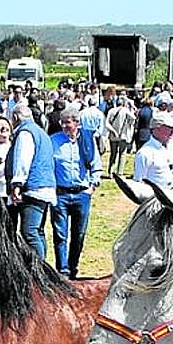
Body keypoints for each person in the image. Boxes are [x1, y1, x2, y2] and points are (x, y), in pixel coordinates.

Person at [49, 108, 101, 279]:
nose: (64, 126)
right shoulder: (54, 141)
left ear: (77, 123)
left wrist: (92, 187)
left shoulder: (87, 140)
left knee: (79, 234)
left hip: (82, 194)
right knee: (60, 234)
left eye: (68, 123)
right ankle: (63, 270)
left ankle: (73, 266)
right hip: (61, 194)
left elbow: (96, 165)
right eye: (62, 122)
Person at [5, 102, 56, 261]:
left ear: (15, 117)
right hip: (45, 187)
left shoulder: (25, 133)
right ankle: (43, 266)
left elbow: (23, 159)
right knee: (38, 231)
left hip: (33, 188)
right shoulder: (41, 133)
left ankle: (39, 269)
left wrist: (17, 184)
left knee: (29, 232)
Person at [134, 109, 173, 187]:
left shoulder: (171, 148)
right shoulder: (145, 153)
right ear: (157, 129)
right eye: (169, 127)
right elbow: (139, 184)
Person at [105, 96, 135, 176]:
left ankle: (110, 172)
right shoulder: (126, 110)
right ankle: (119, 172)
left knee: (113, 154)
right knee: (122, 154)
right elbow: (133, 118)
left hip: (113, 136)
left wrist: (113, 131)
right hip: (123, 135)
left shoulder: (111, 111)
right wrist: (128, 124)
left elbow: (107, 123)